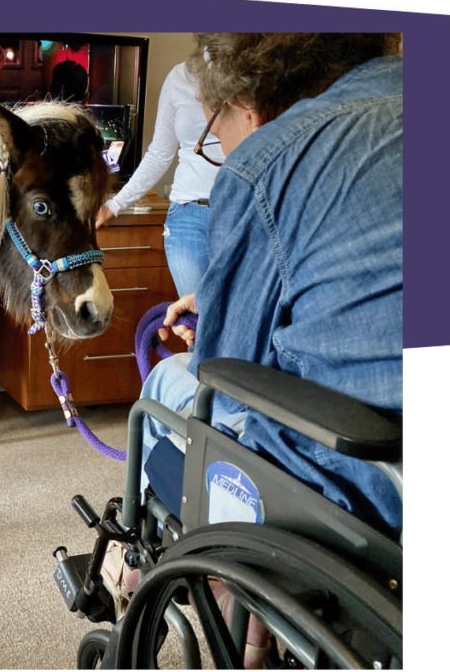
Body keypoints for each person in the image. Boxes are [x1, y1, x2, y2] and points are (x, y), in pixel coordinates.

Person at [143, 32, 404, 536]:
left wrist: (221, 318)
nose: (221, 149)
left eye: (213, 136)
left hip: (374, 495)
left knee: (168, 382)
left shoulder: (268, 161)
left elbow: (224, 387)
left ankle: (153, 567)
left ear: (247, 106)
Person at [95, 60, 225, 299]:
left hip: (242, 213)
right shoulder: (180, 76)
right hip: (188, 220)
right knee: (198, 325)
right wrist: (113, 205)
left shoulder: (257, 73)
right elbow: (159, 154)